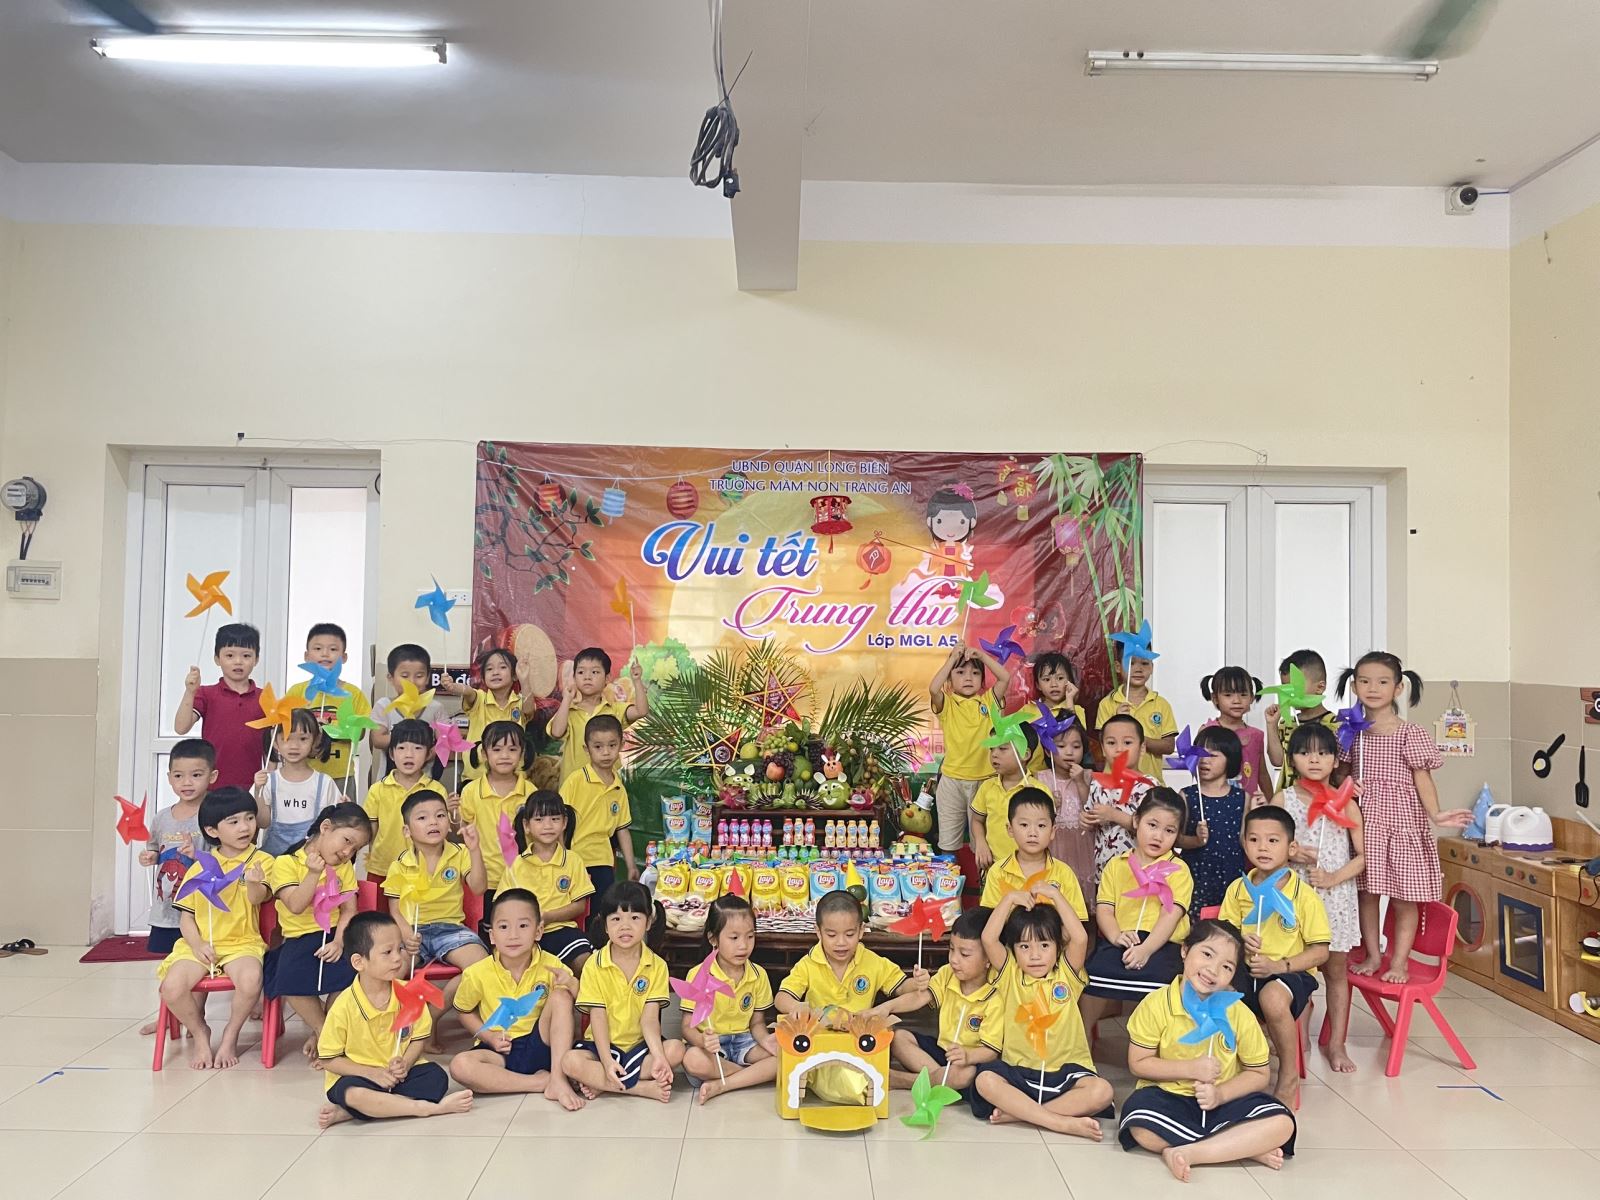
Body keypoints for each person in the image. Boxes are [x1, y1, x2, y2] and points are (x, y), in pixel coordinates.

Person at [1118, 919, 1297, 1181]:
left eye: (1226, 967)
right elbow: (1138, 1063)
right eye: (1207, 954)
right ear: (1184, 950)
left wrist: (1220, 1094)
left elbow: (1259, 1073)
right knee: (1140, 1126)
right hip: (1169, 1095)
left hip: (1224, 1098)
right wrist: (1191, 1069)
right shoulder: (1156, 1004)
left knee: (1283, 1123)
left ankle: (1188, 1152)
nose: (1213, 970)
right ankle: (1238, 1147)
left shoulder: (1238, 1013)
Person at [1337, 651, 1471, 983]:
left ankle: (1399, 961)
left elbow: (1423, 778)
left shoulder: (1410, 732)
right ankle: (1373, 954)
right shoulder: (1351, 731)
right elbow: (1339, 773)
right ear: (1354, 686)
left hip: (1402, 824)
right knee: (1367, 893)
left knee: (1403, 897)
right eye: (1365, 681)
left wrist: (1436, 814)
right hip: (1366, 823)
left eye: (1382, 682)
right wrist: (1348, 785)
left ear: (1398, 688)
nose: (1373, 688)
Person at [972, 884, 1113, 1137]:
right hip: (1020, 1071)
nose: (1035, 955)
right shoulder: (1010, 974)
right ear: (1013, 950)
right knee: (985, 1080)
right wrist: (1009, 899)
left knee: (1102, 1091)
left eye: (1045, 945)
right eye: (1024, 947)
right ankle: (1059, 1122)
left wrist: (1056, 896)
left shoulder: (1067, 974)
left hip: (1065, 1072)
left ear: (1058, 947)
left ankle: (1020, 1113)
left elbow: (1080, 938)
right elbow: (988, 939)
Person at [315, 911, 474, 1128]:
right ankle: (425, 1109)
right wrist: (372, 1073)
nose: (398, 958)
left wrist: (405, 1063)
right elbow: (329, 1059)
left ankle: (357, 1111)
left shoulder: (409, 994)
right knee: (352, 1093)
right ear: (359, 962)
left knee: (436, 1078)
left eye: (400, 949)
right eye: (387, 952)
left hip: (399, 1076)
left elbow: (418, 1038)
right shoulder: (343, 1006)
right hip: (361, 1074)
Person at [1219, 805, 1331, 1106]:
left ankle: (1288, 1074)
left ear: (1291, 848)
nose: (1263, 847)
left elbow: (1320, 951)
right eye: (1254, 840)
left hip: (1290, 972)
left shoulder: (1304, 896)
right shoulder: (1238, 889)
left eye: (1273, 840)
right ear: (1244, 843)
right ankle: (1232, 1067)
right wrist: (1239, 940)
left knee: (1272, 998)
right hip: (1245, 968)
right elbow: (1223, 936)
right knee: (1215, 990)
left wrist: (1278, 965)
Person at [155, 787, 272, 1070]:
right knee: (171, 988)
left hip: (242, 942)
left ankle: (231, 1034)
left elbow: (259, 898)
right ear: (212, 830)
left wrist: (254, 882)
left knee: (251, 980)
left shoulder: (263, 861)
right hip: (201, 944)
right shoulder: (201, 866)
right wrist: (197, 945)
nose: (244, 827)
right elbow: (186, 917)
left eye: (249, 818)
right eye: (234, 822)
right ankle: (200, 1032)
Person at [1277, 722, 1365, 1074]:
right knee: (1297, 969)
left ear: (1335, 760)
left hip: (1335, 898)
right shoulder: (1283, 800)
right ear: (1292, 759)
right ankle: (1297, 1038)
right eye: (1304, 753)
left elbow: (1363, 857)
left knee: (1336, 971)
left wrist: (1332, 877)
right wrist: (1291, 853)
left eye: (1323, 753)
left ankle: (1337, 1043)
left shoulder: (1347, 804)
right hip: (1294, 896)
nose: (1314, 760)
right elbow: (1265, 846)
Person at [448, 888, 584, 1109]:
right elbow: (464, 1011)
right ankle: (542, 1082)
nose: (513, 935)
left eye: (523, 926)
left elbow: (584, 1004)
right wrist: (489, 1037)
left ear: (538, 931)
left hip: (542, 1044)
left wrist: (571, 984)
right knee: (460, 1066)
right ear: (492, 935)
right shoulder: (477, 972)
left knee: (561, 996)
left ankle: (558, 1078)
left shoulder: (551, 965)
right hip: (500, 1049)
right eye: (503, 927)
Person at [263, 803, 371, 1063]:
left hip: (335, 934)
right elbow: (296, 905)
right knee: (287, 978)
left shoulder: (344, 868)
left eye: (355, 849)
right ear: (325, 827)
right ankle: (324, 1031)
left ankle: (325, 1032)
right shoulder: (286, 863)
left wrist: (339, 942)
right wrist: (313, 873)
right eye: (347, 841)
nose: (347, 852)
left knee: (350, 974)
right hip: (298, 938)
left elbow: (349, 910)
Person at [564, 882, 685, 1102]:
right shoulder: (594, 965)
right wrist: (606, 1061)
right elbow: (598, 1017)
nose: (625, 926)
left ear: (648, 922)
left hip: (640, 1046)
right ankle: (638, 1088)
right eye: (616, 919)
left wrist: (659, 1056)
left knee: (676, 1049)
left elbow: (650, 1019)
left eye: (635, 918)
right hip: (602, 1046)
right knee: (570, 1062)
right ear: (605, 925)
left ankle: (605, 1083)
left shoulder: (657, 965)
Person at [1082, 790, 1193, 1029]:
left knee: (1165, 984)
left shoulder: (1179, 870)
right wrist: (1116, 936)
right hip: (1122, 938)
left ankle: (1154, 1041)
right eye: (1152, 825)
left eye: (1169, 831)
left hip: (1162, 944)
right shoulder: (1116, 865)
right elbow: (1105, 909)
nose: (1158, 836)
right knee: (1090, 979)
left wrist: (1146, 949)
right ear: (1136, 821)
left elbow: (1170, 914)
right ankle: (1083, 1037)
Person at [385, 794, 488, 1024]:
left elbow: (479, 887)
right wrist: (406, 935)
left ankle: (431, 1018)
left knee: (481, 966)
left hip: (451, 930)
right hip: (412, 931)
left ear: (449, 823)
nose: (433, 822)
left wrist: (475, 850)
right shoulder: (399, 864)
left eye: (440, 815)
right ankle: (396, 1025)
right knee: (390, 967)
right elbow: (395, 910)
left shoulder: (460, 853)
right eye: (422, 818)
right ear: (407, 831)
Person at [139, 740, 216, 1035]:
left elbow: (222, 859)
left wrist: (197, 854)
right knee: (169, 966)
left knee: (197, 964)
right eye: (179, 775)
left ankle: (196, 1017)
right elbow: (154, 847)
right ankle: (169, 1015)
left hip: (199, 910)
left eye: (196, 775)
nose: (187, 782)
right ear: (169, 777)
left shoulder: (212, 816)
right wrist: (150, 856)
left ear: (212, 776)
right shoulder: (162, 817)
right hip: (166, 910)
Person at [888, 906, 999, 1095]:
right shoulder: (948, 973)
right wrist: (885, 1008)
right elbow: (920, 997)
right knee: (898, 1038)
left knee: (965, 1075)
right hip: (943, 1053)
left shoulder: (997, 993)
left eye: (964, 954)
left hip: (971, 1060)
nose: (954, 959)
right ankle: (941, 1082)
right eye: (951, 949)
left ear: (989, 958)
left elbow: (992, 1052)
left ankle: (904, 1080)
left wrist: (967, 1056)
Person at [681, 895, 780, 1103]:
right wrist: (702, 1040)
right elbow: (688, 1027)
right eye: (734, 938)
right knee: (692, 1059)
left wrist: (765, 1040)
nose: (743, 946)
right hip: (711, 1047)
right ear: (713, 939)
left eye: (750, 936)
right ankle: (749, 1076)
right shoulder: (698, 975)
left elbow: (757, 1023)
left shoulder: (758, 975)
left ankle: (723, 1083)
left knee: (783, 1056)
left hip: (745, 1041)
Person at [776, 890, 929, 1022]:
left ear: (861, 930)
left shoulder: (873, 961)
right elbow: (781, 997)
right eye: (831, 935)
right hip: (818, 1037)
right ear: (818, 932)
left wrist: (916, 983)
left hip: (859, 1035)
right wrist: (796, 1006)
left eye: (849, 934)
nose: (841, 942)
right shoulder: (808, 964)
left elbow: (901, 988)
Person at [929, 643, 1012, 854]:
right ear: (950, 679)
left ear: (982, 680)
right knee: (948, 844)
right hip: (951, 782)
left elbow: (1005, 678)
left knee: (985, 846)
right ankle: (949, 877)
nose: (968, 678)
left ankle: (986, 878)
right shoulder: (947, 704)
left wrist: (982, 656)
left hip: (985, 782)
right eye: (960, 672)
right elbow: (933, 689)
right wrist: (952, 659)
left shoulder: (989, 702)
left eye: (975, 673)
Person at [507, 790, 596, 970]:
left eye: (554, 819)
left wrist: (548, 917)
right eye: (539, 820)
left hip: (562, 930)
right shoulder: (517, 864)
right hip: (526, 934)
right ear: (526, 825)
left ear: (564, 823)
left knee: (586, 962)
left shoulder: (573, 860)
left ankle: (581, 989)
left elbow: (579, 906)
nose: (547, 826)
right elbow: (506, 905)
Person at [459, 720, 537, 925]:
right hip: (486, 879)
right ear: (484, 754)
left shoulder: (530, 791)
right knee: (489, 931)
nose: (504, 756)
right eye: (497, 749)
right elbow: (464, 832)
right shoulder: (471, 791)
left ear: (522, 754)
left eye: (512, 749)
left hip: (522, 878)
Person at [174, 622, 264, 791]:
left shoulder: (265, 698)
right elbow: (181, 728)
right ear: (217, 659)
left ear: (256, 659)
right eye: (229, 655)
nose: (238, 662)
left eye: (246, 656)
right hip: (211, 787)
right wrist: (190, 692)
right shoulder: (205, 693)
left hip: (253, 788)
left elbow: (274, 745)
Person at [979, 786, 1089, 922]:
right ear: (1010, 829)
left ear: (1052, 831)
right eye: (1024, 825)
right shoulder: (997, 872)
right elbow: (988, 923)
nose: (1032, 833)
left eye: (1041, 826)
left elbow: (1076, 926)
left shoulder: (1064, 873)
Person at [360, 719, 448, 886]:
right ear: (392, 754)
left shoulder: (437, 790)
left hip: (422, 869)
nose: (409, 754)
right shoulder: (378, 789)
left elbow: (442, 832)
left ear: (429, 753)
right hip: (382, 868)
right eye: (401, 748)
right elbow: (369, 832)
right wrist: (351, 818)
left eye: (417, 748)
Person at [284, 623, 371, 784]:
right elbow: (285, 729)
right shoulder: (297, 691)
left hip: (340, 775)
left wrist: (330, 729)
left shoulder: (353, 693)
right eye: (318, 649)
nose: (325, 654)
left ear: (344, 657)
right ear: (306, 656)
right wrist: (312, 728)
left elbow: (360, 733)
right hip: (302, 772)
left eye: (333, 649)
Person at [1175, 725, 1249, 914]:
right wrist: (1196, 840)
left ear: (1230, 759)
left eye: (1213, 755)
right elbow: (1176, 839)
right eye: (1199, 754)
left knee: (1228, 923)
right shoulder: (1187, 795)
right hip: (1196, 876)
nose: (1204, 760)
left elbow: (1245, 840)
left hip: (1231, 875)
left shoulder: (1242, 797)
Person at [559, 714, 636, 895]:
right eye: (598, 747)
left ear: (622, 745)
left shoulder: (618, 787)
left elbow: (622, 829)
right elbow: (559, 820)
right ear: (587, 749)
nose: (606, 752)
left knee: (601, 907)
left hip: (604, 861)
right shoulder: (575, 781)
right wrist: (562, 857)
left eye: (612, 745)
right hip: (575, 858)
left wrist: (631, 865)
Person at [549, 647, 649, 785]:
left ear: (607, 678)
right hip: (574, 788)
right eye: (581, 672)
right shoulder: (568, 711)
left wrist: (637, 681)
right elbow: (556, 732)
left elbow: (641, 711)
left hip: (608, 787)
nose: (587, 677)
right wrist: (566, 699)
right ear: (574, 678)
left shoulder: (614, 709)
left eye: (595, 672)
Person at [252, 707, 337, 856]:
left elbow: (333, 826)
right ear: (275, 742)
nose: (294, 746)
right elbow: (262, 823)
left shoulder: (324, 783)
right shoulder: (267, 781)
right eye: (286, 738)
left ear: (315, 740)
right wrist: (258, 791)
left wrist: (343, 809)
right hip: (273, 863)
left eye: (303, 739)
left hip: (308, 862)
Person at [1082, 713, 1156, 884]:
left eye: (1127, 743)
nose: (1119, 749)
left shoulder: (1149, 786)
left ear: (1142, 748)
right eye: (1111, 743)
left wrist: (1113, 815)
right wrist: (1087, 821)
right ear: (1102, 749)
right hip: (1104, 873)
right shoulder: (1097, 783)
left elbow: (1153, 830)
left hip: (1139, 875)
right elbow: (1092, 823)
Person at [436, 647, 525, 781]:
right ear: (483, 678)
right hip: (475, 778)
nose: (495, 672)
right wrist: (453, 687)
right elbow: (468, 692)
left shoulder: (520, 703)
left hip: (512, 779)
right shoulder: (479, 698)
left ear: (514, 675)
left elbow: (529, 710)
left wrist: (525, 680)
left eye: (502, 667)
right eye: (489, 669)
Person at [1095, 642, 1175, 782]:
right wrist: (1117, 721)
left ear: (1152, 667)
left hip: (1149, 783)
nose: (1138, 669)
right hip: (1115, 783)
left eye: (1144, 663)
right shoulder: (1107, 704)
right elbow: (1103, 745)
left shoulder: (1161, 704)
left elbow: (1169, 746)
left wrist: (1138, 738)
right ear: (1118, 667)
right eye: (1131, 663)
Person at [1264, 650, 1338, 792]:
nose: (1289, 693)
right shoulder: (1286, 724)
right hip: (1287, 798)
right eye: (1285, 687)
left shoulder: (1335, 725)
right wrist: (1271, 725)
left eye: (1295, 687)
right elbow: (1277, 761)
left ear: (1320, 687)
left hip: (1321, 798)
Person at [968, 726, 1040, 870]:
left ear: (1024, 754)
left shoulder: (1039, 791)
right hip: (993, 867)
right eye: (992, 749)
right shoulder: (987, 787)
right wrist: (981, 843)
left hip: (1028, 868)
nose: (994, 754)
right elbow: (976, 820)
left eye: (1002, 748)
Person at [1042, 720, 1096, 902]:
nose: (1070, 752)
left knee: (1082, 898)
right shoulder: (1041, 778)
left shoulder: (1088, 776)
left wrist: (1080, 781)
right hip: (1055, 846)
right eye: (1061, 746)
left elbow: (1091, 806)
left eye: (1076, 746)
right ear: (1048, 750)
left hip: (1082, 845)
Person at [1200, 665, 1270, 800]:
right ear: (1215, 698)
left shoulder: (1256, 735)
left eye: (1243, 694)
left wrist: (1271, 803)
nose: (1237, 701)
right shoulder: (1207, 731)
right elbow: (1199, 770)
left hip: (1249, 804)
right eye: (1228, 695)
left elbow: (1262, 774)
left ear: (1252, 698)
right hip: (1215, 803)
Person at [370, 643, 450, 756]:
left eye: (419, 676)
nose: (412, 682)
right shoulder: (383, 705)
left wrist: (430, 754)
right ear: (391, 678)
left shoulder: (436, 708)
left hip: (426, 767)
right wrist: (412, 737)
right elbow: (377, 740)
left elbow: (444, 741)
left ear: (428, 678)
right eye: (404, 676)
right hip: (391, 768)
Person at [1025, 651, 1088, 776]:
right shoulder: (1027, 711)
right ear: (1038, 685)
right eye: (1046, 679)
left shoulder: (1077, 709)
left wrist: (1070, 700)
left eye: (1060, 678)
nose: (1054, 684)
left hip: (1066, 776)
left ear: (1069, 681)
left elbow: (1076, 736)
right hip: (1033, 775)